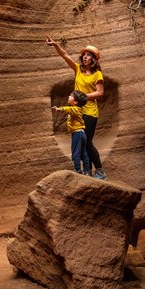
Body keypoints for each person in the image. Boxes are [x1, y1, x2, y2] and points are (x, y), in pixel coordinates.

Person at [45, 34, 108, 180]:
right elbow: (65, 56)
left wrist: (83, 96)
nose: (85, 57)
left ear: (94, 59)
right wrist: (55, 45)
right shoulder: (78, 69)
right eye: (84, 55)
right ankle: (89, 172)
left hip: (90, 113)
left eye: (88, 55)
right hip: (77, 113)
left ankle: (100, 172)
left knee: (88, 142)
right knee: (82, 143)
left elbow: (100, 92)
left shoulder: (97, 74)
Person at [52, 90, 91, 175]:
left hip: (77, 134)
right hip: (82, 133)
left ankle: (78, 171)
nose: (68, 96)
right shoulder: (77, 109)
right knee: (83, 153)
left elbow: (69, 109)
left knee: (75, 153)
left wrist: (60, 109)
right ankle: (87, 171)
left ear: (76, 101)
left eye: (71, 96)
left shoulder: (75, 109)